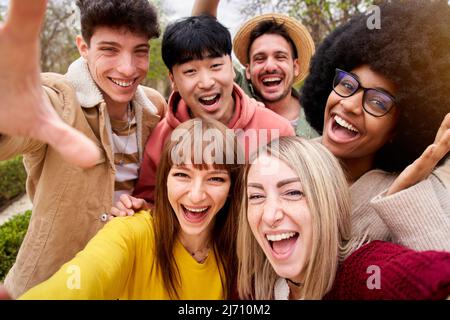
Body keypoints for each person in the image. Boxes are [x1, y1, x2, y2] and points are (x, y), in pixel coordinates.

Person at [0, 0, 167, 298]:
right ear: (83, 47)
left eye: (140, 51)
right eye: (109, 50)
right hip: (49, 286)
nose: (128, 68)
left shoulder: (154, 107)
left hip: (127, 281)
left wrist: (148, 208)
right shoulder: (57, 101)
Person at [16, 118, 241, 299]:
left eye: (215, 179)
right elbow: (82, 279)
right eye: (182, 175)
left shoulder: (237, 247)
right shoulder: (129, 232)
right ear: (164, 180)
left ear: (232, 188)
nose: (196, 195)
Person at [299, 0, 450, 251]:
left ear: (398, 130)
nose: (349, 105)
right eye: (347, 85)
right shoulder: (285, 163)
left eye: (378, 102)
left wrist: (403, 199)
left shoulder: (417, 193)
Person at [238, 136, 450, 300]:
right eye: (256, 196)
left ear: (326, 201)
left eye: (293, 193)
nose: (269, 215)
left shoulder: (364, 273)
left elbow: (423, 275)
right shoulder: (254, 285)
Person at [131, 15, 294, 205]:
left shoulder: (277, 131)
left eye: (216, 66)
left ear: (232, 68)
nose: (206, 83)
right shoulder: (162, 138)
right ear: (173, 80)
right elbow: (149, 203)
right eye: (190, 71)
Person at [192, 0, 318, 138]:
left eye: (280, 57)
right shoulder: (236, 93)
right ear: (248, 71)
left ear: (295, 67)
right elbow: (201, 31)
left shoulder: (318, 118)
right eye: (260, 58)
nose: (270, 67)